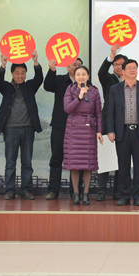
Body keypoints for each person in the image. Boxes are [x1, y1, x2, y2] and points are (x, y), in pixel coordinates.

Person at [107, 59, 139, 206]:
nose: (132, 70)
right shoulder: (115, 89)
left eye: (134, 67)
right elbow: (110, 112)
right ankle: (124, 195)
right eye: (129, 68)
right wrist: (110, 130)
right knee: (123, 166)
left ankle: (138, 196)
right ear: (123, 71)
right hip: (122, 132)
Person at [0, 52, 43, 200]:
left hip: (28, 129)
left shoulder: (29, 87)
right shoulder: (7, 88)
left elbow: (39, 79)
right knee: (10, 163)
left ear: (26, 74)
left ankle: (26, 190)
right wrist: (3, 65)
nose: (20, 76)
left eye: (23, 73)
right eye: (17, 73)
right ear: (12, 74)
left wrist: (36, 62)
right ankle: (10, 190)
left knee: (27, 163)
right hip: (10, 130)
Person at [63, 66, 104, 205]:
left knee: (88, 164)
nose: (81, 77)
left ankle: (86, 194)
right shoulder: (70, 90)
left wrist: (99, 131)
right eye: (78, 74)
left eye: (84, 74)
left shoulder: (94, 91)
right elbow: (67, 109)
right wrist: (79, 97)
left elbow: (98, 113)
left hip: (89, 130)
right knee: (74, 164)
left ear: (88, 76)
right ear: (74, 77)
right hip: (73, 130)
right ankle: (76, 194)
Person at [43, 57, 83, 200]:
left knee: (76, 160)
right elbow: (47, 86)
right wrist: (52, 69)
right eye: (74, 64)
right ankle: (53, 190)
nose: (76, 67)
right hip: (60, 126)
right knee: (56, 158)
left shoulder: (86, 84)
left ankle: (75, 191)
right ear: (67, 67)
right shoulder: (60, 80)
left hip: (78, 128)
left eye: (79, 65)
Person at [97, 45, 127, 201]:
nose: (118, 67)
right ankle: (101, 191)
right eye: (116, 64)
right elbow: (101, 73)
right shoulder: (109, 79)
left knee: (121, 159)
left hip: (124, 125)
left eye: (121, 64)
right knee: (105, 157)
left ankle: (117, 191)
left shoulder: (132, 82)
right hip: (107, 123)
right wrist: (110, 57)